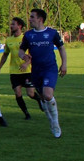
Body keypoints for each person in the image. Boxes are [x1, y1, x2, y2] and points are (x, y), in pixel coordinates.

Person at [18, 8, 68, 139]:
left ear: (40, 19)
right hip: (36, 71)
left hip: (49, 68)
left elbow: (61, 48)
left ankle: (55, 123)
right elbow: (21, 51)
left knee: (47, 94)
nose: (30, 19)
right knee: (42, 97)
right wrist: (24, 57)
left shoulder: (52, 33)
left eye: (32, 17)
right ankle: (50, 120)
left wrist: (64, 64)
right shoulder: (28, 35)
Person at [0, 17, 43, 120]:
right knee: (18, 93)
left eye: (13, 24)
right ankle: (26, 114)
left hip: (27, 71)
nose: (11, 26)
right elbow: (5, 55)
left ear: (19, 26)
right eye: (11, 24)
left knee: (30, 94)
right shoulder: (9, 40)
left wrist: (27, 63)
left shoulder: (26, 38)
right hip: (14, 72)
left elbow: (33, 54)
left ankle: (39, 99)